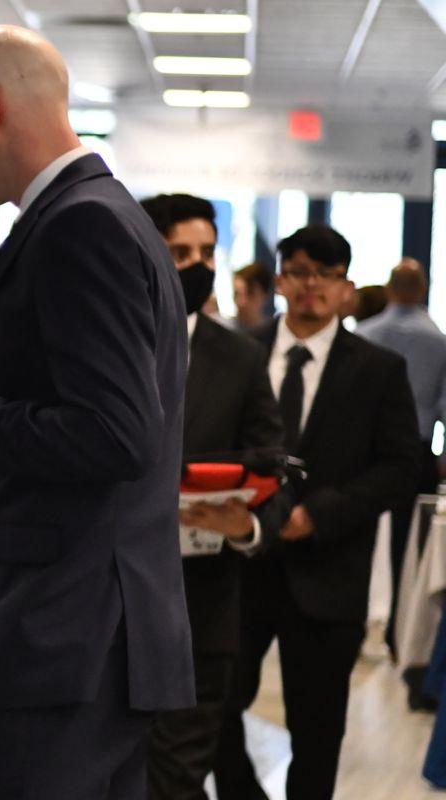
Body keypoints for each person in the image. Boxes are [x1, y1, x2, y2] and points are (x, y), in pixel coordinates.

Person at [0, 26, 194, 798]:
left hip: (65, 638)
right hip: (84, 637)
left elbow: (117, 434)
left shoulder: (79, 225)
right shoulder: (104, 214)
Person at [213, 226, 418, 800]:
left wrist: (322, 514)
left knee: (318, 734)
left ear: (347, 289)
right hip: (238, 567)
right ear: (279, 280)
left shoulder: (379, 369)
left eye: (327, 275)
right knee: (213, 708)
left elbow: (404, 467)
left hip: (328, 574)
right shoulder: (238, 352)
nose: (312, 286)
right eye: (299, 271)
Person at [139, 194, 290, 800]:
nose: (196, 266)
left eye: (206, 253)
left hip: (201, 604)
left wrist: (246, 524)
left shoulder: (241, 356)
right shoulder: (106, 343)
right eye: (180, 253)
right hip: (109, 600)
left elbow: (270, 459)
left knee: (178, 776)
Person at [355, 257, 446, 704]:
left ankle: (353, 625)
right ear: (422, 289)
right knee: (409, 553)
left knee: (357, 539)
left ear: (390, 289)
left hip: (361, 453)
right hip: (415, 453)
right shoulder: (439, 341)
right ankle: (399, 636)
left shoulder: (365, 335)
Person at [233, 262, 274, 331]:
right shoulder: (221, 331)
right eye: (236, 294)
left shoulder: (273, 335)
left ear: (264, 295)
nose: (242, 302)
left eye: (250, 294)